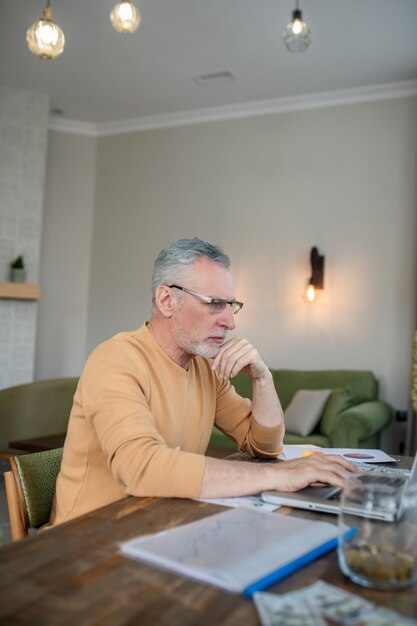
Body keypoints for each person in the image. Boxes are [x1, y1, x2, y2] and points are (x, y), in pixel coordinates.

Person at [49, 237, 354, 526]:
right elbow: (141, 468)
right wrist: (281, 476)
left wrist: (262, 378)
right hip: (88, 545)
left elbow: (264, 445)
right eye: (214, 303)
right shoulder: (115, 359)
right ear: (167, 300)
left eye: (231, 305)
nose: (230, 322)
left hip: (158, 525)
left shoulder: (204, 370)